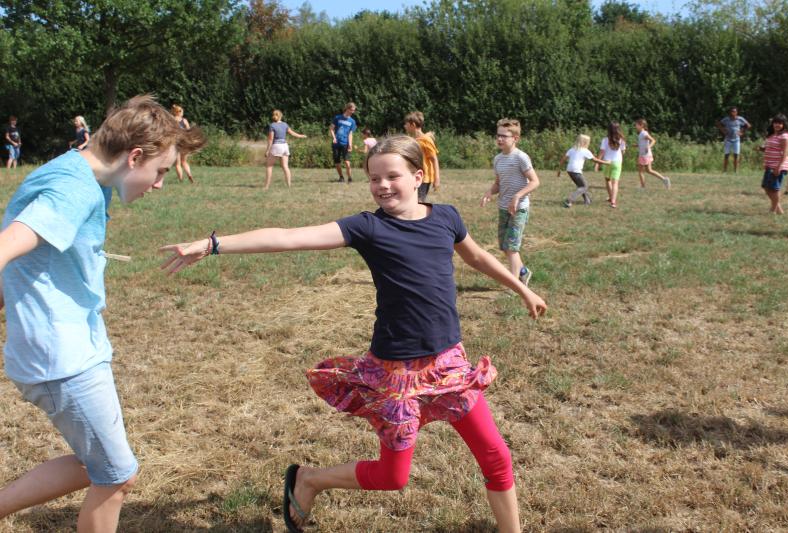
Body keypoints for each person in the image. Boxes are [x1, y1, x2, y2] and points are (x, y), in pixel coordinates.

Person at [159, 136, 547, 533]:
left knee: (496, 456)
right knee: (393, 477)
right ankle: (310, 479)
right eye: (374, 179)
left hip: (449, 364)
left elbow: (477, 256)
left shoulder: (446, 217)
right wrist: (214, 244)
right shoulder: (369, 227)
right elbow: (289, 237)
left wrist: (523, 289)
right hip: (397, 373)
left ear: (418, 177)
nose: (382, 185)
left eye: (392, 176)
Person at [0, 95, 206, 531]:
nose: (160, 184)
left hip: (66, 348)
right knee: (116, 475)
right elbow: (8, 246)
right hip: (62, 358)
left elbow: (24, 262)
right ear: (135, 157)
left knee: (96, 464)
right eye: (161, 171)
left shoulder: (79, 173)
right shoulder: (72, 190)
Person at [480, 118, 540, 287]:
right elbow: (498, 183)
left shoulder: (521, 157)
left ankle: (514, 286)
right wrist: (489, 192)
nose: (499, 139)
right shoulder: (498, 159)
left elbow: (535, 181)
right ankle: (523, 272)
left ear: (515, 138)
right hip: (503, 208)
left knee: (512, 247)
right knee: (505, 247)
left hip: (519, 209)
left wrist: (517, 196)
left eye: (504, 136)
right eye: (498, 135)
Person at [556, 134, 608, 208]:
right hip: (576, 170)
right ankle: (569, 200)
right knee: (584, 186)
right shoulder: (585, 151)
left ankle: (587, 200)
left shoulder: (572, 149)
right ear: (585, 142)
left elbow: (563, 159)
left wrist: (559, 170)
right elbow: (595, 160)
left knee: (580, 185)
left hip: (569, 170)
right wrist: (606, 163)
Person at [757, 114, 788, 214]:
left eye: (780, 123)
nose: (777, 125)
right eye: (775, 122)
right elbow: (771, 148)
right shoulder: (772, 135)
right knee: (766, 187)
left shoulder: (785, 136)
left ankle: (773, 210)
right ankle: (779, 210)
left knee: (774, 188)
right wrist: (762, 149)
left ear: (784, 124)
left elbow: (785, 153)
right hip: (769, 165)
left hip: (778, 165)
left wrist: (779, 167)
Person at [265, 109, 307, 190]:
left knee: (269, 166)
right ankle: (289, 185)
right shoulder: (285, 124)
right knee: (285, 166)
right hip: (284, 146)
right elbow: (293, 133)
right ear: (281, 116)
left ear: (273, 116)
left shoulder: (272, 125)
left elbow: (270, 139)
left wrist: (267, 150)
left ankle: (266, 186)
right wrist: (301, 136)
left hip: (276, 146)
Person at [403, 111, 441, 202]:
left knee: (419, 201)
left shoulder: (425, 140)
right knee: (412, 200)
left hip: (424, 177)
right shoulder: (416, 140)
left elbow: (434, 159)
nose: (404, 126)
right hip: (415, 175)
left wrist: (437, 179)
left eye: (406, 124)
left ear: (413, 125)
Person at [596, 122, 627, 208]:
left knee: (607, 180)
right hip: (617, 162)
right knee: (615, 183)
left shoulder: (605, 140)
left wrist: (598, 163)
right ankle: (613, 202)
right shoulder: (622, 139)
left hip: (607, 162)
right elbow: (623, 151)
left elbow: (602, 152)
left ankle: (610, 197)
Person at [634, 118, 671, 189]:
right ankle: (664, 179)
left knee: (640, 171)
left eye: (636, 125)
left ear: (641, 125)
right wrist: (636, 145)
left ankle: (643, 187)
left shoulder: (644, 133)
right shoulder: (641, 134)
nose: (635, 126)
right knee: (649, 170)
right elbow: (642, 143)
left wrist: (648, 147)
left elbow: (653, 140)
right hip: (645, 155)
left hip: (644, 155)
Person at [716, 107, 751, 173]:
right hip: (728, 139)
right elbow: (719, 124)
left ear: (736, 112)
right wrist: (723, 130)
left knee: (736, 155)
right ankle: (724, 171)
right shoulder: (726, 119)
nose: (733, 113)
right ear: (730, 112)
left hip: (736, 140)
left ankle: (735, 171)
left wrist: (742, 132)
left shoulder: (740, 119)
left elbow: (748, 125)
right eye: (732, 111)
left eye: (734, 111)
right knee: (726, 155)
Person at [166, 105, 195, 185]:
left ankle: (181, 180)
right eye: (182, 112)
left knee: (178, 164)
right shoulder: (184, 120)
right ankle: (189, 175)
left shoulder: (171, 120)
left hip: (175, 143)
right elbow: (189, 131)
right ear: (179, 112)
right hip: (184, 142)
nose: (183, 113)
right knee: (184, 161)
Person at [330, 102, 357, 183]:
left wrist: (350, 144)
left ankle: (349, 178)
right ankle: (341, 177)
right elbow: (331, 129)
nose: (353, 112)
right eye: (351, 110)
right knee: (337, 162)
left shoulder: (352, 121)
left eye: (354, 110)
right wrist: (334, 138)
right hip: (336, 144)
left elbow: (350, 134)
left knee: (347, 162)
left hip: (345, 144)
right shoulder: (337, 118)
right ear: (347, 109)